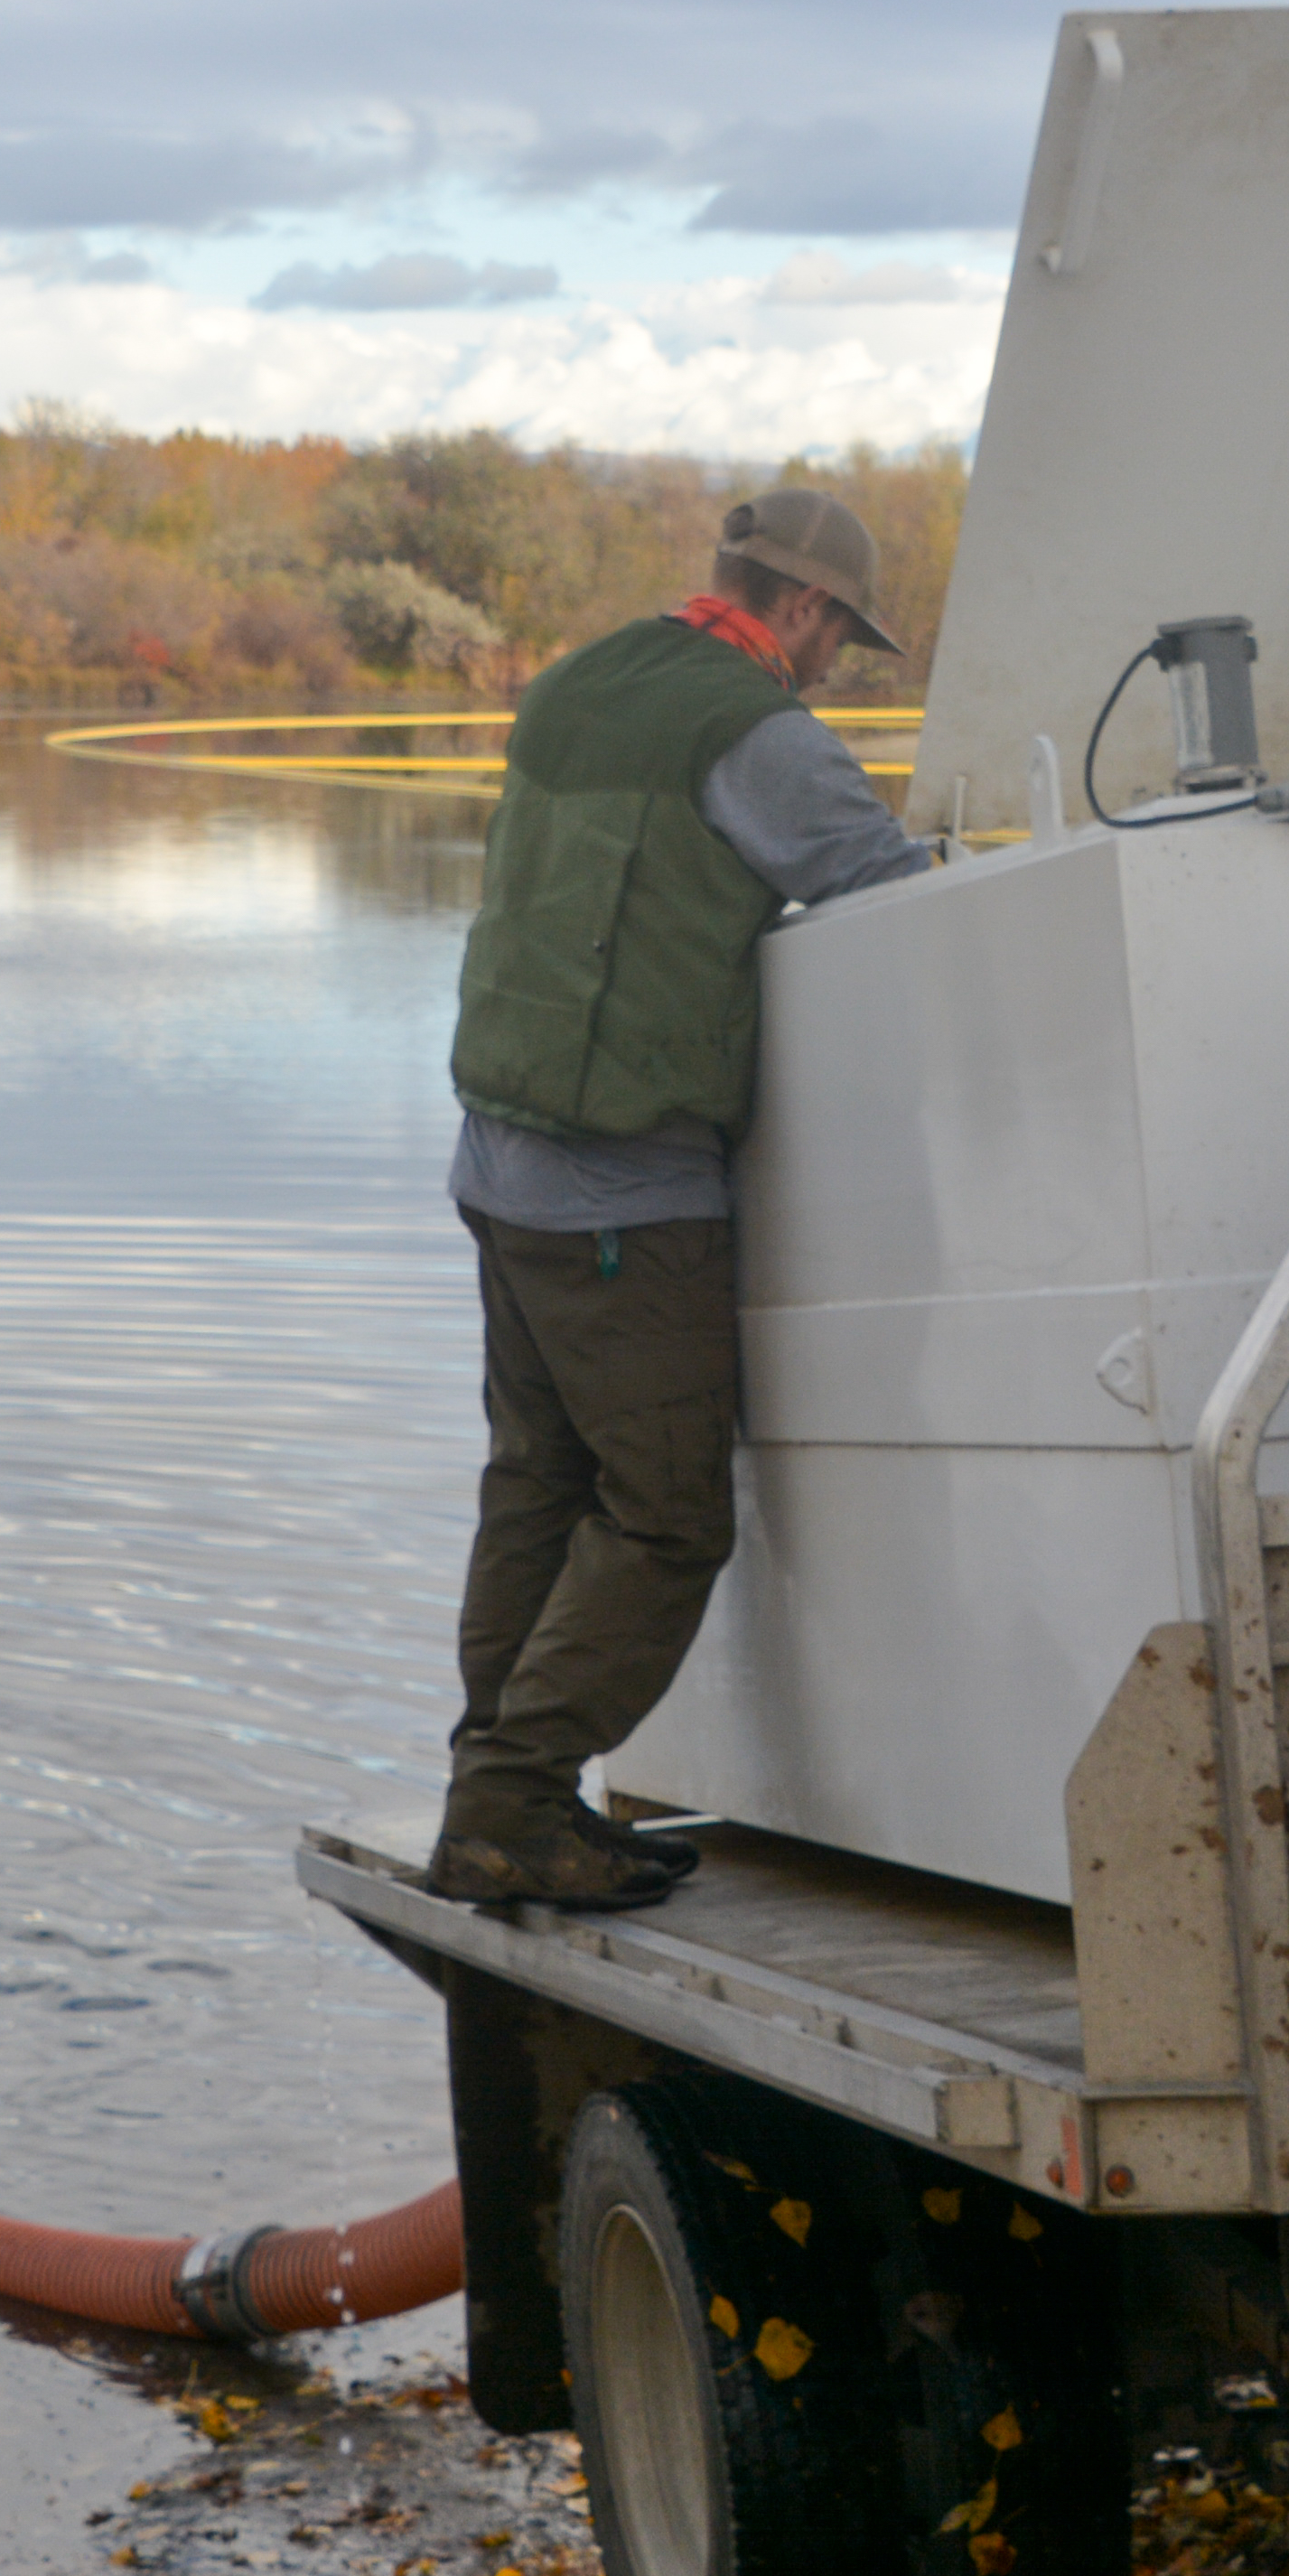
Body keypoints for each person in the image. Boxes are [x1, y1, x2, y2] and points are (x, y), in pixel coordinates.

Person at [429, 489, 931, 1910]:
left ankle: (501, 1788)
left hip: (498, 1160)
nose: (835, 666)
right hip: (621, 1194)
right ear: (811, 611)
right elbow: (891, 897)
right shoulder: (754, 731)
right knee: (664, 1515)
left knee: (538, 1484)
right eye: (843, 638)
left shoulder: (580, 680)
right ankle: (512, 1806)